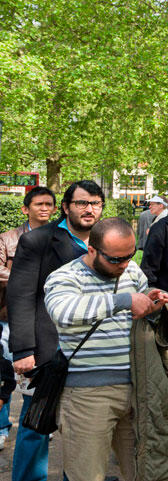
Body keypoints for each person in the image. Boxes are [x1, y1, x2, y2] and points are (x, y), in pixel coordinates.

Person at [42, 217, 168, 481]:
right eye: (115, 260)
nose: (124, 265)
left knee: (144, 472)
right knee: (87, 474)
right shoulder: (65, 277)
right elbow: (63, 312)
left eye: (129, 256)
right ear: (92, 249)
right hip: (86, 395)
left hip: (138, 388)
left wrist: (153, 305)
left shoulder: (132, 271)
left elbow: (141, 306)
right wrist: (124, 300)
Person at [7, 180, 104, 481]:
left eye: (96, 203)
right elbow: (21, 294)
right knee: (36, 423)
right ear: (66, 207)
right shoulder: (38, 240)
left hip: (93, 350)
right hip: (48, 350)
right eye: (81, 203)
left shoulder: (106, 240)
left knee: (87, 429)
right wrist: (23, 350)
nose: (89, 209)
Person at [0, 186, 57, 449]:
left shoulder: (60, 239)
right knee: (6, 375)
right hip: (9, 319)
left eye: (49, 204)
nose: (44, 208)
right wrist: (27, 279)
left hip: (47, 321)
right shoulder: (8, 238)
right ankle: (2, 427)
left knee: (37, 379)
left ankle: (39, 419)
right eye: (38, 204)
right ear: (25, 209)